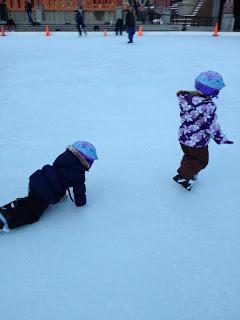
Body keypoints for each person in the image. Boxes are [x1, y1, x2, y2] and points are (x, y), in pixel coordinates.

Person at [0, 141, 98, 232]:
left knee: (31, 200)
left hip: (36, 180)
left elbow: (60, 175)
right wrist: (81, 204)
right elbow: (79, 192)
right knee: (33, 212)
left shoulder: (64, 157)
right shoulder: (78, 174)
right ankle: (6, 220)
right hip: (45, 193)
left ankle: (7, 210)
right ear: (86, 161)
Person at [173, 71, 233, 191]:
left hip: (184, 136)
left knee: (190, 156)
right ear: (212, 92)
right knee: (201, 160)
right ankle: (185, 177)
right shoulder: (207, 105)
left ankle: (184, 174)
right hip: (197, 141)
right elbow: (211, 125)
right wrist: (220, 138)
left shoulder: (186, 99)